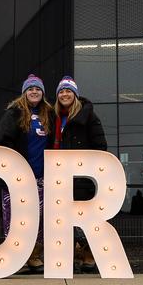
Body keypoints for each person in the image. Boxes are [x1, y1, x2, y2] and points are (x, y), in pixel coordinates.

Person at [51, 76, 108, 271]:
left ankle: (89, 254)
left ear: (75, 94)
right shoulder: (54, 118)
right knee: (64, 218)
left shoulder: (88, 116)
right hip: (59, 176)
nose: (64, 94)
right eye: (61, 91)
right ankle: (68, 254)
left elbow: (101, 146)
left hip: (83, 176)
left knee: (85, 216)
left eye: (68, 91)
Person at [0, 74, 53, 270]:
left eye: (38, 89)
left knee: (39, 219)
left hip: (42, 178)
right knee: (14, 218)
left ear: (43, 92)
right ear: (24, 92)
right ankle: (15, 257)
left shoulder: (49, 114)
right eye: (30, 89)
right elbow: (5, 140)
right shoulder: (14, 113)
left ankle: (33, 255)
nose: (34, 91)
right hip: (18, 177)